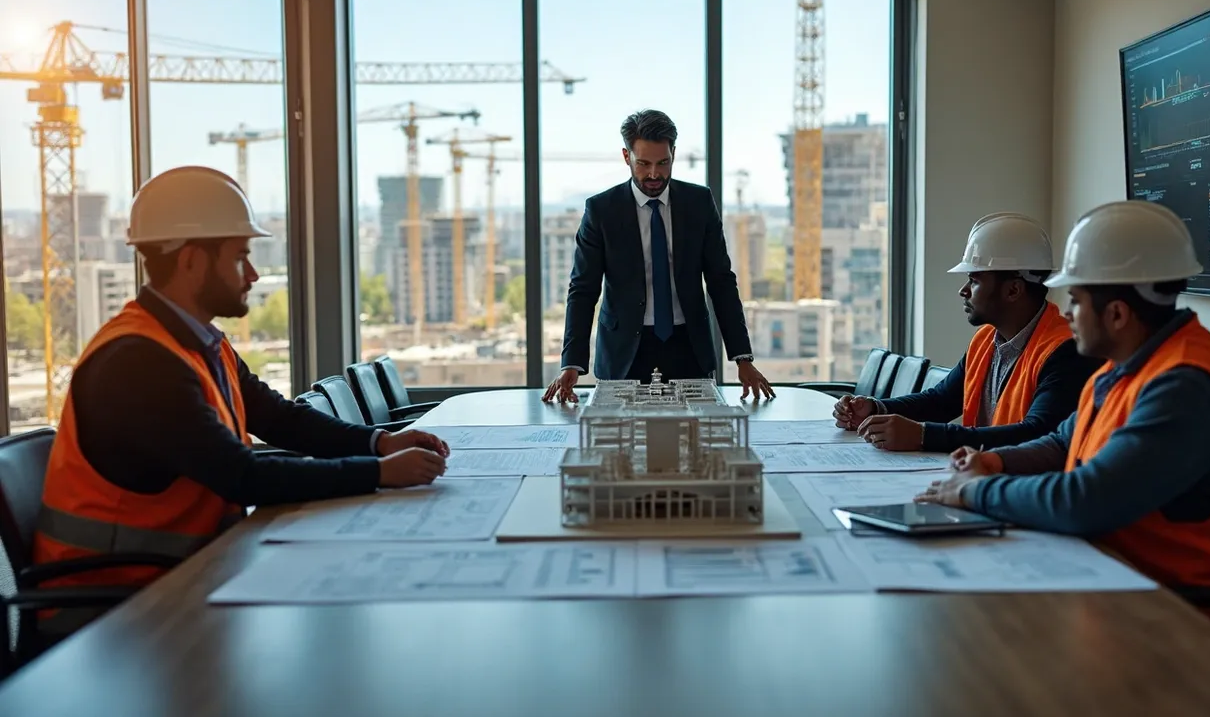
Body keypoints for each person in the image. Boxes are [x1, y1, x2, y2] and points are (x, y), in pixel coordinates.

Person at [33, 167, 451, 635]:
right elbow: (241, 475)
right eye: (239, 257)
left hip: (183, 577)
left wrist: (380, 443)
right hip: (109, 616)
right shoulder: (138, 363)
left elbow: (280, 419)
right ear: (191, 261)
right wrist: (378, 474)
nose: (252, 274)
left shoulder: (198, 343)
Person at [917, 200, 1210, 667]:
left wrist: (976, 491)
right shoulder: (1124, 369)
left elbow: (1085, 502)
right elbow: (1062, 441)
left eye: (1076, 300)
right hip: (1135, 589)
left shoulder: (1183, 386)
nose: (1067, 313)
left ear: (1117, 314)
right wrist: (996, 462)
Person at [542, 109, 774, 403]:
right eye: (644, 163)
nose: (654, 174)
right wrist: (572, 362)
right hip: (623, 351)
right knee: (620, 445)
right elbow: (583, 289)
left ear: (674, 154)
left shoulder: (699, 203)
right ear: (627, 157)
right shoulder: (601, 211)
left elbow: (721, 282)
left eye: (663, 163)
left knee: (694, 443)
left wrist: (742, 357)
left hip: (689, 347)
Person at [832, 212, 1101, 452]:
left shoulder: (1065, 351)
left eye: (974, 280)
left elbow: (1037, 433)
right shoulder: (986, 340)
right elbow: (941, 401)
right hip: (983, 478)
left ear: (1013, 290)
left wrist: (925, 436)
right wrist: (877, 408)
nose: (963, 290)